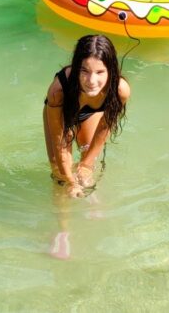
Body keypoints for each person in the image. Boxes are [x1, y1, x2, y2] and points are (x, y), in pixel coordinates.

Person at [43, 34, 130, 202]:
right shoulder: (58, 90)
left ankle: (92, 201)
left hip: (90, 114)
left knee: (87, 159)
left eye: (100, 72)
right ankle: (63, 225)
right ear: (76, 69)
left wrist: (87, 166)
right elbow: (59, 141)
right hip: (62, 113)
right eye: (85, 71)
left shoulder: (120, 91)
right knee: (59, 173)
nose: (92, 81)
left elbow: (105, 127)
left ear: (110, 70)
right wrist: (70, 181)